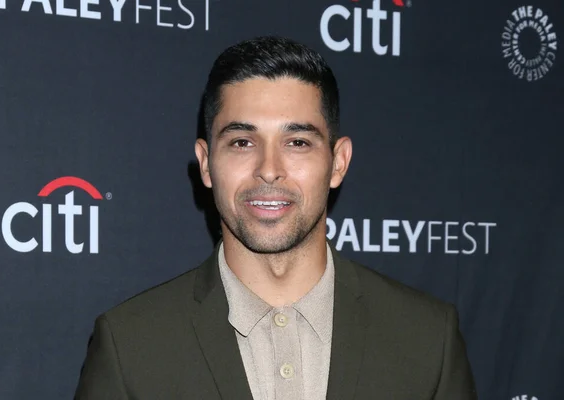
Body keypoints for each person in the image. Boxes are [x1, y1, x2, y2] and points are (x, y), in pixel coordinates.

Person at [74, 36, 477, 399]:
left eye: (298, 142)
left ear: (338, 163)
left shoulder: (427, 340)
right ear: (207, 164)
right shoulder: (131, 346)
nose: (269, 169)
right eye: (242, 142)